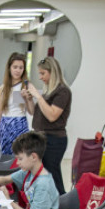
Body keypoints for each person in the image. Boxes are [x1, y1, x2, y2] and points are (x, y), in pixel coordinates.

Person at [24, 56, 72, 194]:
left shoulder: (62, 91)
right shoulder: (47, 92)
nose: (40, 77)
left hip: (54, 140)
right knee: (44, 177)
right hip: (42, 138)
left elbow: (52, 116)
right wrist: (28, 99)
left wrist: (38, 96)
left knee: (53, 177)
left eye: (43, 73)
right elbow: (34, 112)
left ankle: (62, 203)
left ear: (53, 72)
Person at [0, 52, 31, 155]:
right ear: (9, 68)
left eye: (21, 68)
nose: (18, 70)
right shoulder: (3, 88)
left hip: (20, 125)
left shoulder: (26, 86)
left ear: (24, 69)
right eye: (15, 67)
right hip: (5, 126)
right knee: (5, 157)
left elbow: (31, 111)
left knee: (21, 155)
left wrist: (28, 98)